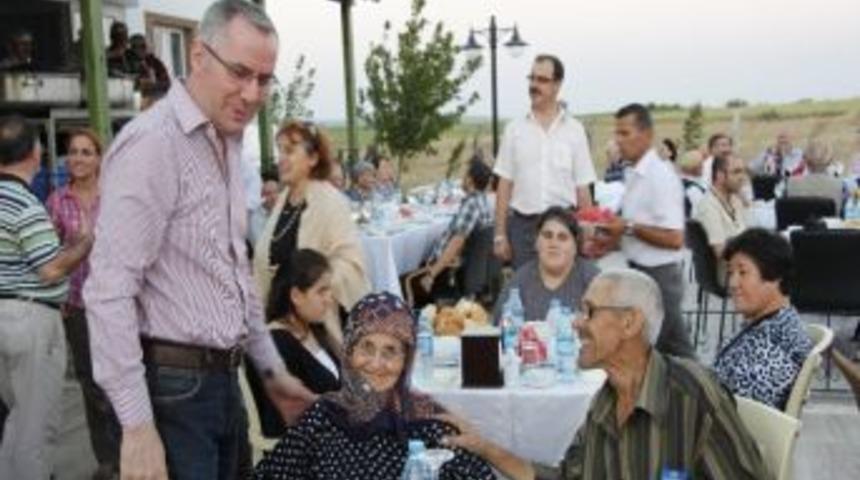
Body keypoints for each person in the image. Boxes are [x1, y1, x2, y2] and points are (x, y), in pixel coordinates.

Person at [84, 3, 316, 479]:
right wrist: (137, 427)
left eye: (265, 79)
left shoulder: (224, 142)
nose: (252, 93)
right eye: (239, 73)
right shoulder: (153, 145)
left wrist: (269, 371)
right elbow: (108, 292)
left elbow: (231, 272)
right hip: (172, 391)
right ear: (197, 55)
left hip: (221, 383)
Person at [442, 269, 770, 480]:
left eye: (590, 311)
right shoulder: (603, 401)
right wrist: (486, 447)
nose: (576, 322)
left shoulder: (691, 394)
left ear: (630, 323)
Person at [252, 292, 496, 480]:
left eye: (390, 351)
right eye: (366, 347)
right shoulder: (323, 416)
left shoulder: (428, 421)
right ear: (349, 351)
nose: (376, 364)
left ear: (406, 361)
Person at [0, 115, 93, 478]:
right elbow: (51, 269)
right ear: (34, 154)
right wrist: (84, 243)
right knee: (37, 428)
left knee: (19, 419)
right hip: (30, 321)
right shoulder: (25, 205)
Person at [45, 129, 121, 480]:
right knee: (91, 383)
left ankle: (132, 448)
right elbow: (48, 257)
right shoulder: (57, 201)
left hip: (119, 304)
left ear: (99, 158)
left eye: (86, 152)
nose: (77, 158)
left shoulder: (116, 198)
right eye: (73, 152)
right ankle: (107, 459)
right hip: (78, 306)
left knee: (122, 378)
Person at [254, 120, 370, 346]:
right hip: (277, 327)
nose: (281, 158)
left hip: (316, 334)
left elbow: (352, 266)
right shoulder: (282, 202)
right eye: (279, 150)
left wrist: (311, 284)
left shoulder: (331, 202)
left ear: (313, 158)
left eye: (289, 150)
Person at [602, 104, 696, 359]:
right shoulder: (634, 173)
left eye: (625, 133)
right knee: (652, 354)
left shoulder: (660, 176)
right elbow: (633, 228)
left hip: (660, 277)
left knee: (677, 354)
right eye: (617, 134)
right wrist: (609, 240)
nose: (618, 141)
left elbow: (675, 238)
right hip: (640, 273)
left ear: (646, 135)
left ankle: (705, 397)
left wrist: (628, 227)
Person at [493, 54, 597, 268]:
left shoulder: (575, 130)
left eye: (542, 80)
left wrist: (587, 232)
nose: (533, 85)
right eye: (531, 78)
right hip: (523, 231)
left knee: (564, 295)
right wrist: (500, 234)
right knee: (525, 295)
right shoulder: (514, 130)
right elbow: (504, 184)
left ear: (557, 85)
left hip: (563, 229)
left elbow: (583, 187)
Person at [714, 228, 814, 410]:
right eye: (731, 272)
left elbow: (733, 418)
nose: (733, 283)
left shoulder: (770, 353)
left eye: (743, 273)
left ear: (774, 277)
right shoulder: (776, 323)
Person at [247, 249, 342, 439]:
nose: (329, 299)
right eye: (321, 291)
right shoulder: (276, 344)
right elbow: (281, 422)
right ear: (296, 296)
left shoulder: (313, 328)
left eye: (329, 290)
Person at [492, 206, 599, 323]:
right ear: (536, 243)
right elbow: (499, 325)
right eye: (547, 236)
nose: (553, 244)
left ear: (575, 246)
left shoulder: (593, 280)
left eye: (562, 238)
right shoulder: (520, 281)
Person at [420, 159, 494, 295]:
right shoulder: (482, 200)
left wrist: (432, 274)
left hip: (448, 271)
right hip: (463, 267)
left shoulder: (471, 204)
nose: (462, 179)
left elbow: (456, 243)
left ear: (470, 180)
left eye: (465, 175)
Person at [694, 154, 748, 286]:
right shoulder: (708, 206)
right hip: (728, 274)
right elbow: (721, 252)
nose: (742, 177)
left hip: (742, 266)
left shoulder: (735, 200)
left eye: (743, 171)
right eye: (736, 172)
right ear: (720, 175)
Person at [785, 140, 845, 215]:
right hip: (830, 225)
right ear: (830, 161)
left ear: (805, 160)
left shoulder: (790, 183)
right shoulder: (840, 185)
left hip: (798, 225)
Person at [127, 33, 172, 98]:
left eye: (143, 46)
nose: (142, 49)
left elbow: (167, 84)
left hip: (154, 97)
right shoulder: (126, 60)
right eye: (135, 47)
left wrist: (153, 83)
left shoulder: (155, 62)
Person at [248, 170, 281, 247]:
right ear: (261, 196)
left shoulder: (283, 211)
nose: (274, 197)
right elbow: (260, 246)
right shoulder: (255, 218)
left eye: (276, 192)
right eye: (268, 193)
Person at [678, 149, 707, 218]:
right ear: (695, 167)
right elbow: (700, 216)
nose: (703, 167)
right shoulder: (694, 190)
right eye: (701, 164)